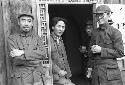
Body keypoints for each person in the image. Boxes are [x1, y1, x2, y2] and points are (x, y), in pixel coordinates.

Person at [8, 12, 47, 85]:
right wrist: (36, 61)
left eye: (29, 21)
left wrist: (23, 52)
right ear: (19, 22)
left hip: (38, 77)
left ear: (32, 24)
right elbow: (17, 60)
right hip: (22, 79)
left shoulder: (37, 38)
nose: (26, 24)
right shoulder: (12, 38)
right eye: (23, 20)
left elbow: (43, 54)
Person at [88, 5, 124, 85]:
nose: (99, 18)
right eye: (97, 15)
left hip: (111, 76)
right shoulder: (94, 33)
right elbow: (90, 55)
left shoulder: (115, 32)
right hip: (96, 75)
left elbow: (120, 52)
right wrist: (91, 50)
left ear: (109, 15)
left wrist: (101, 50)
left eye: (102, 15)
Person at [50, 17, 75, 85]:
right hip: (53, 76)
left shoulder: (60, 40)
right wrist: (58, 71)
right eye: (59, 26)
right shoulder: (48, 40)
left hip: (63, 76)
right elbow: (46, 59)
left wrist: (68, 76)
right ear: (53, 27)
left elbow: (65, 59)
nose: (61, 29)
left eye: (63, 27)